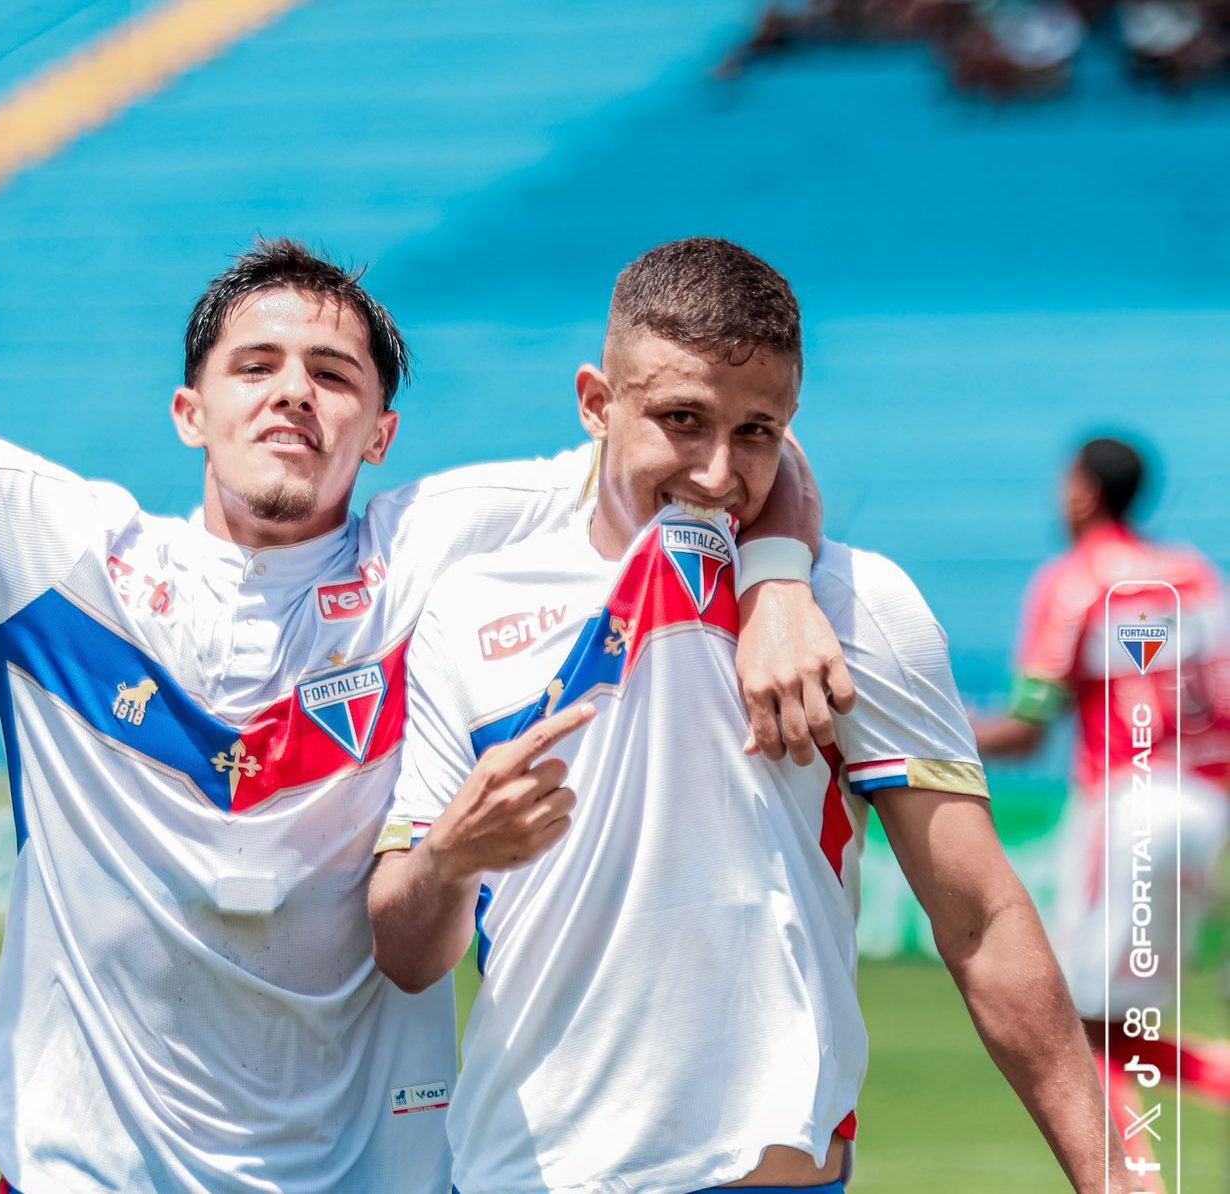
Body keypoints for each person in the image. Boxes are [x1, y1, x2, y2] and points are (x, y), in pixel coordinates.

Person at [0, 23, 853, 1194]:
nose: (295, 393)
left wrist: (782, 578)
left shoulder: (441, 543)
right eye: (256, 366)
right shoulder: (61, 553)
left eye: (335, 376)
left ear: (379, 433)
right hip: (94, 1166)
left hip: (370, 1170)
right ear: (191, 411)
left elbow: (720, 446)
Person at [370, 238, 1137, 1192]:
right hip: (518, 1175)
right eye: (682, 420)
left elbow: (982, 922)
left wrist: (1118, 1180)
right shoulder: (471, 608)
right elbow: (407, 954)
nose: (719, 473)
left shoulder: (862, 608)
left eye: (758, 431)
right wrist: (450, 856)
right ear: (596, 404)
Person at [971, 437, 1230, 1126]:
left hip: (1128, 808)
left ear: (1084, 492)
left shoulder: (1076, 581)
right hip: (1205, 805)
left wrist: (935, 733)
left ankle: (1129, 1181)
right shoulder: (1195, 574)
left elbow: (1028, 728)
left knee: (1079, 1026)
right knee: (1113, 1028)